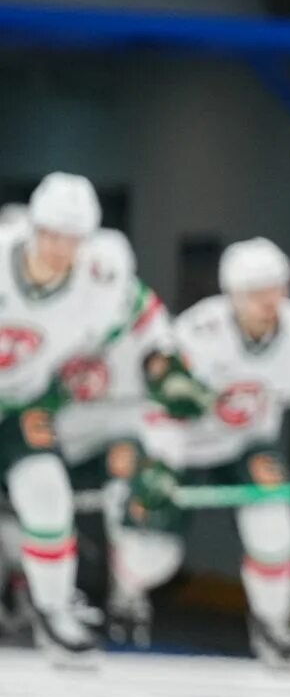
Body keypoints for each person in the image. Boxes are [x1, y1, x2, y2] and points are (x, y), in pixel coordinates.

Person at [112, 238, 290, 666]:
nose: (269, 301)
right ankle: (128, 594)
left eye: (277, 288)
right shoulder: (197, 331)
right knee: (154, 552)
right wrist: (160, 460)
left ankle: (272, 625)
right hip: (181, 444)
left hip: (246, 442)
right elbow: (156, 403)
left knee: (274, 523)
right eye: (256, 292)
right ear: (232, 296)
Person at [0, 173, 209, 657]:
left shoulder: (101, 276)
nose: (58, 248)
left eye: (71, 238)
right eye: (51, 233)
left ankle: (52, 612)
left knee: (47, 491)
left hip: (24, 400)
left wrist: (166, 369)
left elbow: (148, 320)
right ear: (33, 227)